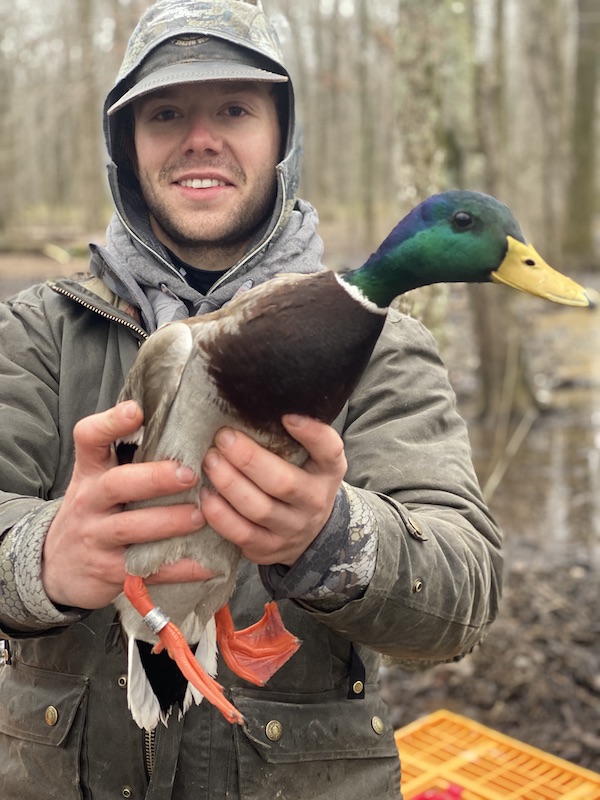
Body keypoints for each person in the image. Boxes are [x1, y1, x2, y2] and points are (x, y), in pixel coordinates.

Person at [0, 1, 502, 798]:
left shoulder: (385, 347)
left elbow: (465, 597)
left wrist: (335, 538)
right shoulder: (35, 332)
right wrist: (42, 558)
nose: (200, 138)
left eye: (234, 108)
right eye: (165, 113)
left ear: (282, 140)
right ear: (126, 147)